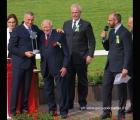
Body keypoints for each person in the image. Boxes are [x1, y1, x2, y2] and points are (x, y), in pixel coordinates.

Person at [8, 11, 43, 116]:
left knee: (26, 88)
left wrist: (57, 31)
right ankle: (13, 111)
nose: (30, 22)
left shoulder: (35, 28)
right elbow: (11, 47)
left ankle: (24, 109)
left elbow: (46, 32)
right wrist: (24, 53)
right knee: (16, 87)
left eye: (32, 20)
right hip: (18, 63)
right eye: (28, 20)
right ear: (24, 19)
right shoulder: (17, 30)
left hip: (29, 64)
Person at [100, 12, 133, 119]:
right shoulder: (111, 32)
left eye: (110, 20)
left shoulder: (125, 33)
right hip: (109, 66)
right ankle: (106, 111)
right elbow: (108, 48)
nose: (108, 22)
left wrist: (125, 68)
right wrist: (104, 39)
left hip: (120, 68)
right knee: (106, 88)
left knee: (121, 91)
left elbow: (129, 52)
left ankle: (121, 113)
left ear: (116, 20)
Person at [62, 4, 96, 110]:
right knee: (69, 81)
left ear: (80, 12)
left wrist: (90, 55)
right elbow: (64, 39)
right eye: (72, 12)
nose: (74, 14)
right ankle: (69, 102)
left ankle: (82, 102)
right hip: (69, 59)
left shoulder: (86, 25)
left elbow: (92, 41)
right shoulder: (66, 24)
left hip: (81, 58)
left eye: (76, 12)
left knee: (82, 81)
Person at [39, 20, 70, 118]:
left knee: (62, 91)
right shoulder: (40, 37)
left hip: (59, 68)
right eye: (44, 27)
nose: (46, 28)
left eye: (47, 26)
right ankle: (52, 110)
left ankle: (64, 111)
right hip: (46, 68)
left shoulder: (59, 35)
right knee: (48, 91)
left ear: (51, 26)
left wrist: (64, 66)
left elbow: (66, 53)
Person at [125, 15, 133, 114]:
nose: (128, 24)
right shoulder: (129, 33)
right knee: (131, 85)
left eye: (130, 23)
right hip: (130, 65)